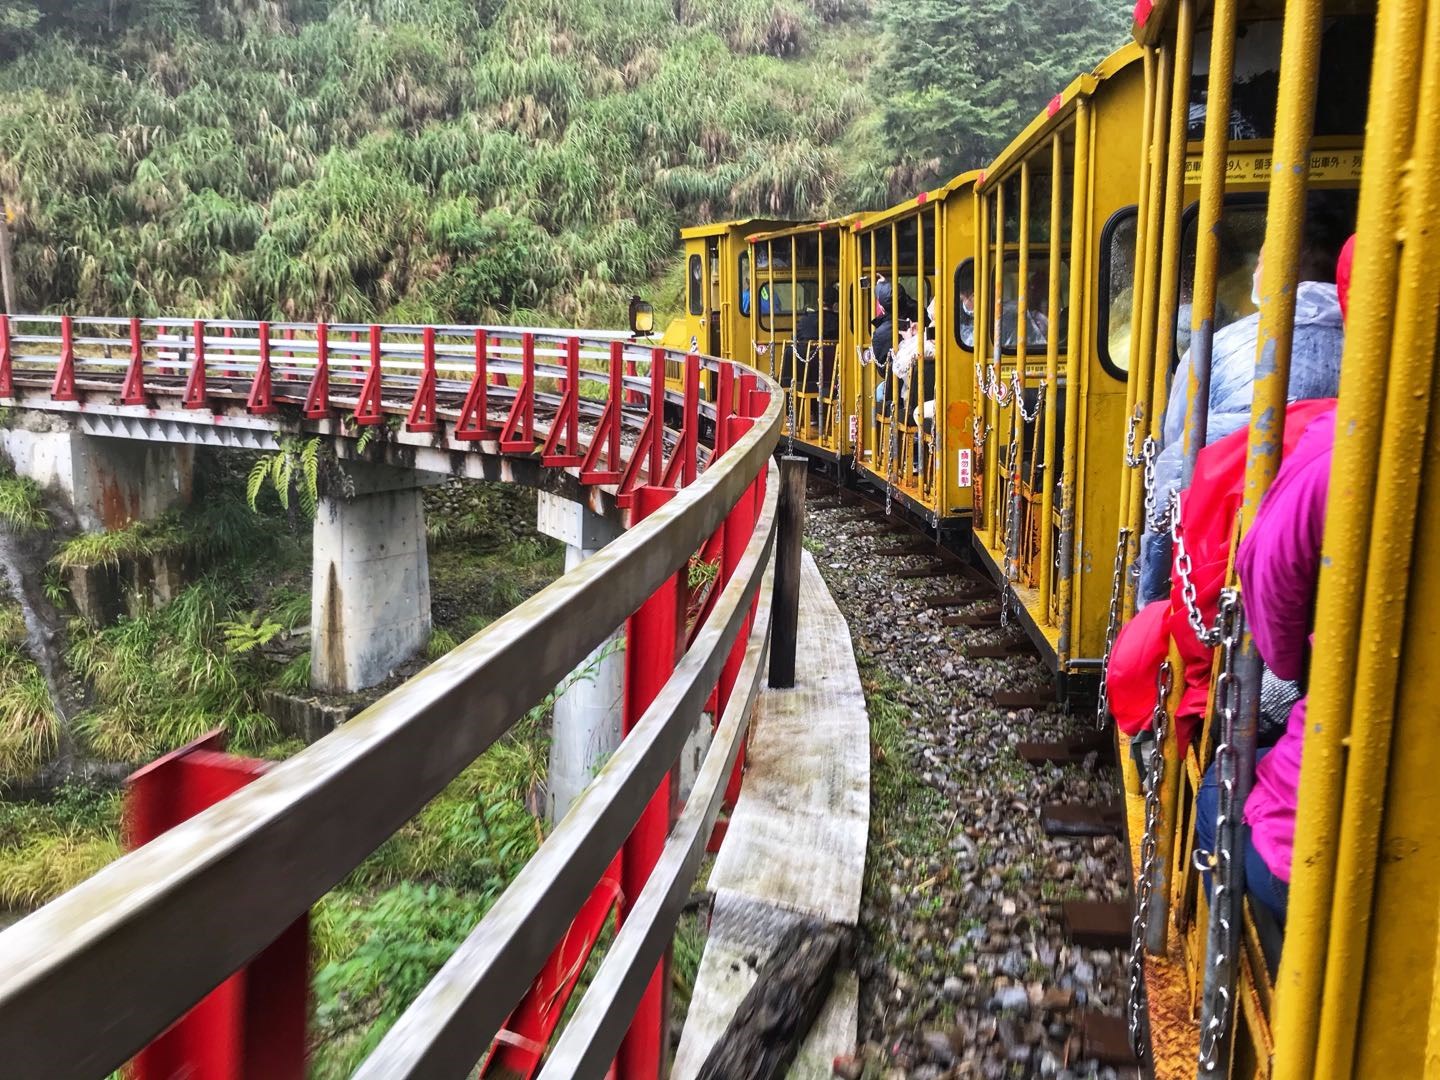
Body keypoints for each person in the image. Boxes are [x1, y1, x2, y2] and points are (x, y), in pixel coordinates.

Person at [1137, 200, 1349, 606]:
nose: (1254, 270)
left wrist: (1151, 600)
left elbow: (1176, 456)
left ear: (1276, 269)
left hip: (1227, 576)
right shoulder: (1384, 356)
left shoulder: (1217, 350)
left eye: (1262, 258)